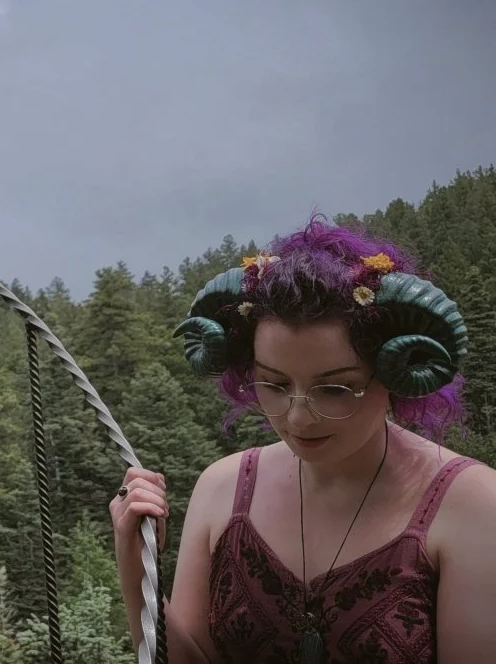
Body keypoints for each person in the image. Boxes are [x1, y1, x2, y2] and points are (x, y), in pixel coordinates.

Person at [110, 216, 496, 663]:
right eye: (274, 384)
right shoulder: (222, 488)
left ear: (398, 371)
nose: (297, 418)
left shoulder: (472, 504)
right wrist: (136, 568)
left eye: (335, 388)